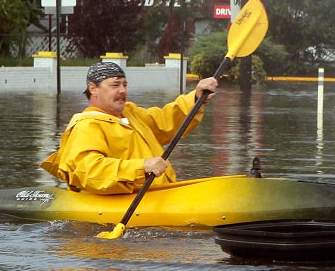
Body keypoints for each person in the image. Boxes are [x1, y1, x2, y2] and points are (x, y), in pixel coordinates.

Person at [41, 61, 218, 195]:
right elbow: (88, 171)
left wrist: (195, 98)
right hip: (120, 202)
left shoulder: (130, 114)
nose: (122, 90)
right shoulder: (86, 126)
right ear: (93, 89)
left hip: (158, 194)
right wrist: (142, 167)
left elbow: (165, 122)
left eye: (124, 85)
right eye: (115, 85)